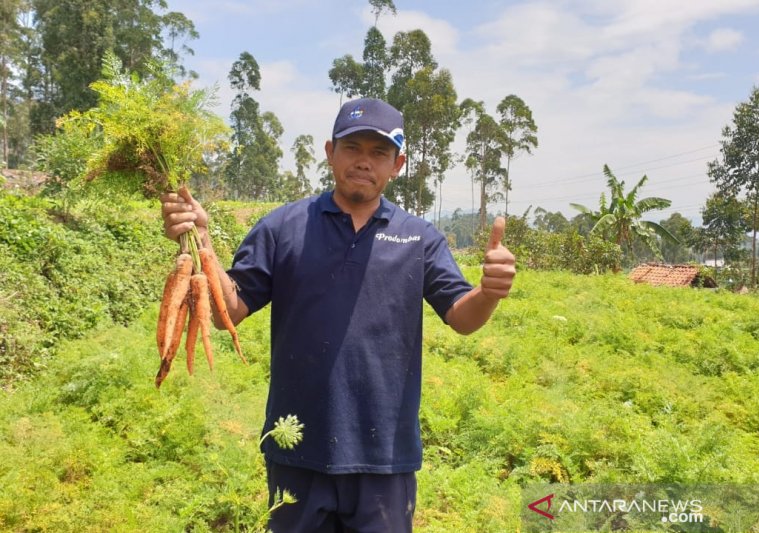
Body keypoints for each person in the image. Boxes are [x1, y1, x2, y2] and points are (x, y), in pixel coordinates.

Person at [161, 97, 515, 532]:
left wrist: (488, 292)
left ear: (397, 164)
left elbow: (462, 317)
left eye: (379, 152)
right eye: (352, 148)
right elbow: (227, 312)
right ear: (330, 153)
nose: (364, 161)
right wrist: (204, 248)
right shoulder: (282, 228)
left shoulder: (419, 238)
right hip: (296, 448)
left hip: (384, 455)